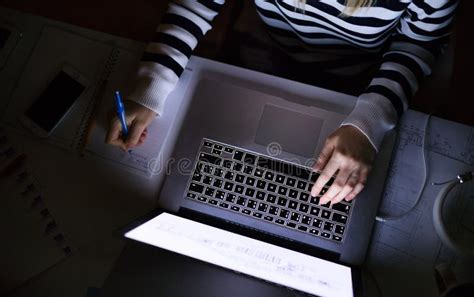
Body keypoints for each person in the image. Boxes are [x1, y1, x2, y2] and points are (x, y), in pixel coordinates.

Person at [105, 0, 458, 205]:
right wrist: (152, 85)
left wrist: (368, 123)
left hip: (365, 77)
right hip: (265, 47)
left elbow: (418, 45)